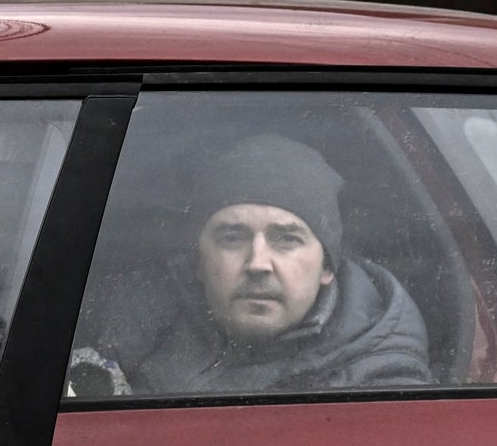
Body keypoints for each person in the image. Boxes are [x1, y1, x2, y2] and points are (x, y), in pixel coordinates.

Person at [70, 135, 432, 396]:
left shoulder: (380, 387)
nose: (258, 263)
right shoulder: (138, 310)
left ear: (328, 267)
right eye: (232, 237)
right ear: (198, 261)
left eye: (287, 239)